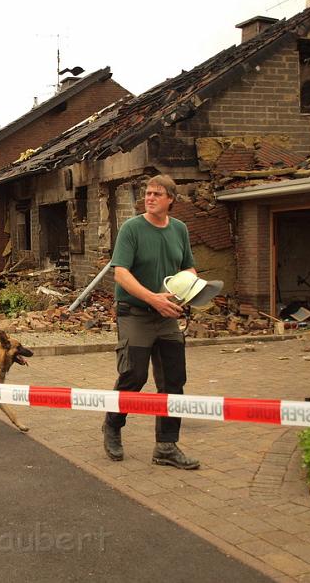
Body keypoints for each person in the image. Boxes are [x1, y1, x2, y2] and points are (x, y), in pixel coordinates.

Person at [102, 175, 201, 470]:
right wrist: (152, 298)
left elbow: (188, 267)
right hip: (135, 314)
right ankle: (112, 426)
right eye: (147, 193)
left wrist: (189, 291)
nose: (149, 198)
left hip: (167, 316)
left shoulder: (179, 229)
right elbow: (120, 274)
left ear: (171, 199)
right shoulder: (132, 229)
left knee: (173, 381)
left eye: (157, 194)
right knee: (133, 375)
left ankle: (166, 447)